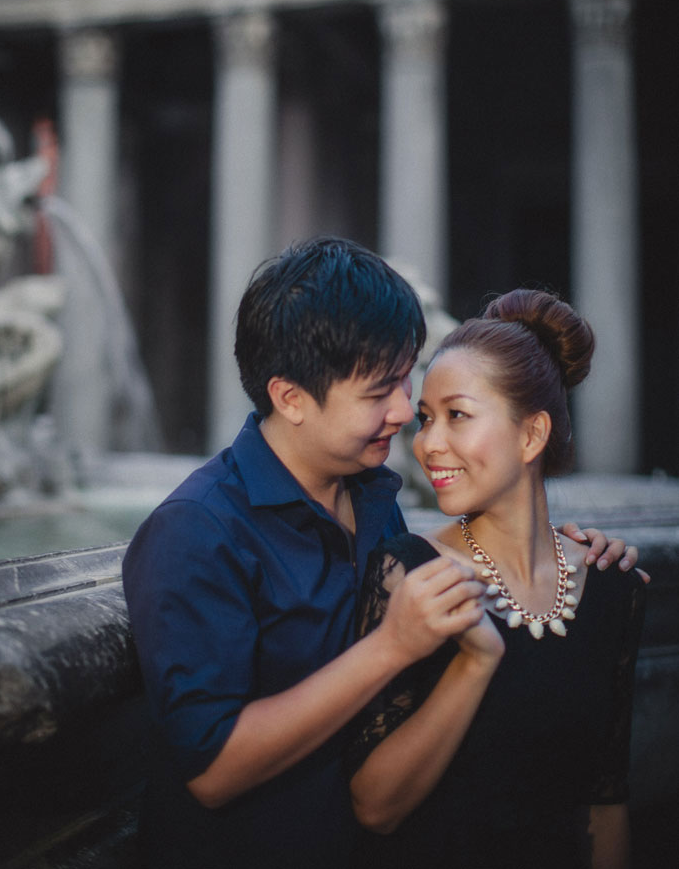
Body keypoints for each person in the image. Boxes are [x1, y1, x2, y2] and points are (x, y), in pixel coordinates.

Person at [121, 238, 637, 869]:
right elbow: (213, 769)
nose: (402, 416)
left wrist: (567, 551)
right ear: (290, 398)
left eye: (404, 382)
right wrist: (391, 646)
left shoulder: (373, 500)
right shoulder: (194, 532)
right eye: (379, 392)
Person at [347, 289, 646, 869]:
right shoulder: (407, 570)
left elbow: (605, 802)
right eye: (427, 419)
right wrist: (472, 661)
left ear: (531, 435)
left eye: (457, 416)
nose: (428, 444)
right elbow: (373, 806)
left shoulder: (614, 587)